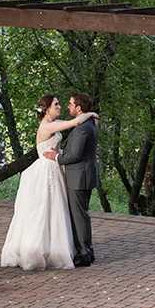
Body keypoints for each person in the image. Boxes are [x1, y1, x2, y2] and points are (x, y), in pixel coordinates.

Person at [0, 94, 98, 270]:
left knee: (58, 210)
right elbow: (75, 122)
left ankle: (63, 246)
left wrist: (89, 114)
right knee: (44, 209)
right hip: (46, 169)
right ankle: (43, 248)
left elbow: (75, 123)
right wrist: (91, 114)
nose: (60, 106)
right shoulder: (47, 126)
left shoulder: (55, 122)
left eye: (63, 104)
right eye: (57, 104)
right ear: (47, 109)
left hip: (56, 169)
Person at [43, 91, 99, 267]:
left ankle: (84, 254)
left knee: (79, 215)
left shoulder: (81, 128)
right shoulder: (90, 123)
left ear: (78, 108)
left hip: (79, 176)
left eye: (71, 104)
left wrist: (57, 158)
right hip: (85, 173)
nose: (68, 106)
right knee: (83, 214)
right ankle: (87, 251)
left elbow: (74, 155)